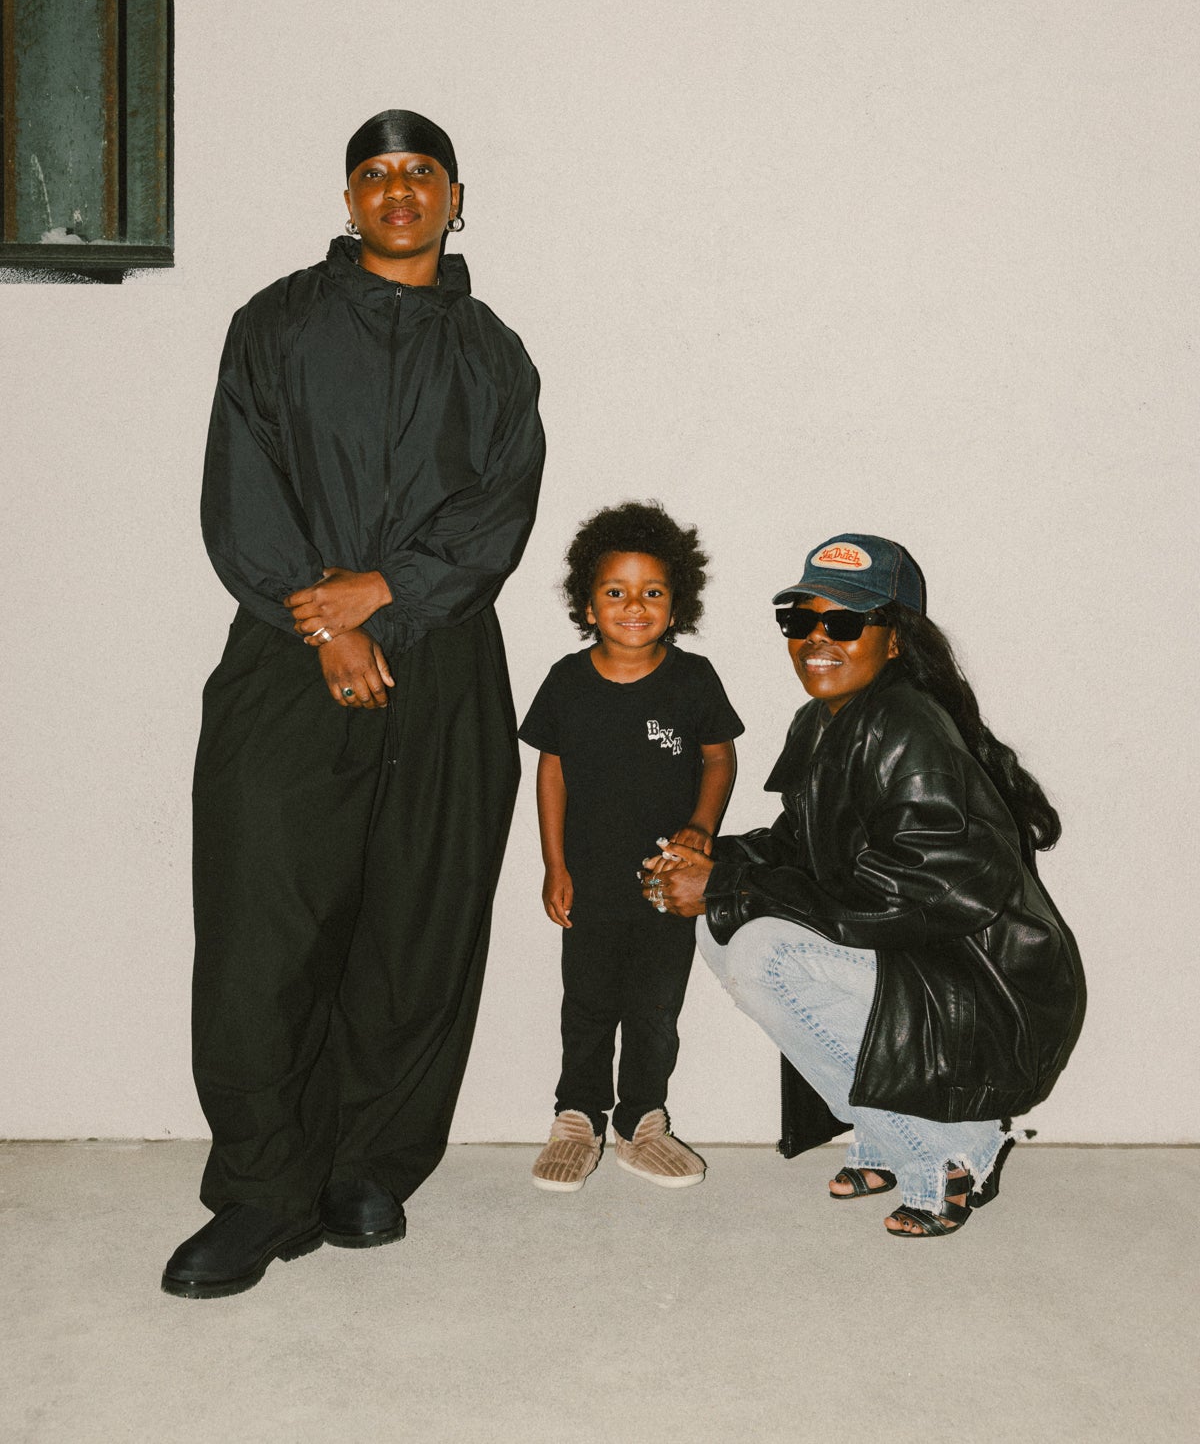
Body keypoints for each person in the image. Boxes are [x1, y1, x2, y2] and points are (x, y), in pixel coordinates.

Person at [162, 110, 545, 1298]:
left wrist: (387, 596)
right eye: (374, 173)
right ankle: (260, 1189)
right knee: (261, 930)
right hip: (288, 653)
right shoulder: (274, 325)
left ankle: (367, 1165)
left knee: (417, 929)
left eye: (420, 171)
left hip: (445, 664)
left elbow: (500, 509)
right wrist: (325, 621)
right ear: (348, 199)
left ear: (455, 197)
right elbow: (242, 486)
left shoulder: (494, 354)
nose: (398, 189)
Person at [643, 533, 1084, 1239]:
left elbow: (918, 892)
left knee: (765, 952)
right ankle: (883, 1137)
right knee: (722, 928)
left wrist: (728, 884)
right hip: (923, 959)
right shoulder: (824, 720)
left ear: (895, 639)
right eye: (800, 619)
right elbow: (800, 844)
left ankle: (955, 1153)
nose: (816, 639)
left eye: (845, 622)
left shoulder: (908, 726)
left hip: (985, 985)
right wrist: (704, 860)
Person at [518, 501, 744, 1192]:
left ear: (676, 606)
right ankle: (577, 1117)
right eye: (616, 592)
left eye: (652, 592)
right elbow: (550, 770)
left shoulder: (693, 679)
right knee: (586, 1003)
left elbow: (720, 757)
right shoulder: (567, 681)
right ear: (588, 605)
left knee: (654, 1008)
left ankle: (642, 1120)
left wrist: (701, 829)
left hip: (665, 883)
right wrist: (554, 864)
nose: (634, 606)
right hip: (587, 880)